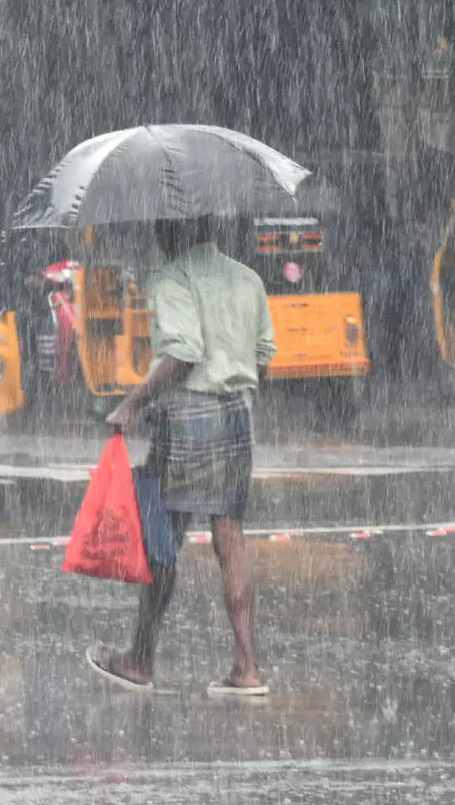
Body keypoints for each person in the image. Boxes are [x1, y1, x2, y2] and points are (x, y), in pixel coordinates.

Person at [86, 215, 276, 696]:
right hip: (237, 416)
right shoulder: (248, 278)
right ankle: (247, 668)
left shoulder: (170, 278)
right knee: (229, 539)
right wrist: (232, 379)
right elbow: (264, 356)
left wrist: (132, 403)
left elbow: (183, 353)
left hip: (186, 417)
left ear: (170, 234)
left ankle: (140, 660)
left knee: (163, 541)